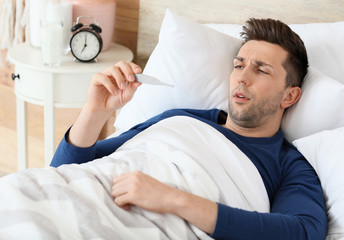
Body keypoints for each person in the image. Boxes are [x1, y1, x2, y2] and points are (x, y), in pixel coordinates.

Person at [51, 18, 327, 239]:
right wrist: (95, 111)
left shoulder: (288, 164)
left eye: (262, 70)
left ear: (289, 96)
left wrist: (174, 200)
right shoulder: (180, 119)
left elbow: (303, 231)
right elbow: (64, 171)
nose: (242, 78)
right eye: (239, 65)